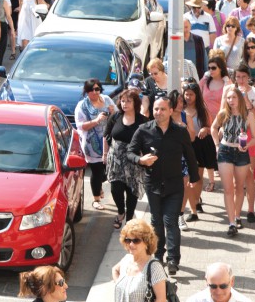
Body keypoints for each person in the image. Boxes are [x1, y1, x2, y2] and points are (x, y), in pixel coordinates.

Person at [127, 96, 199, 276]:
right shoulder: (144, 130)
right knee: (156, 221)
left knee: (171, 221)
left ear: (171, 111)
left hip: (175, 184)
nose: (158, 112)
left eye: (162, 109)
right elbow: (130, 151)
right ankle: (158, 255)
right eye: (156, 109)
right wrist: (140, 160)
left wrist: (194, 177)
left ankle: (173, 260)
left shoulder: (180, 132)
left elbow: (190, 155)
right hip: (153, 184)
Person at [211, 86, 255, 237]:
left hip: (241, 153)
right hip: (225, 151)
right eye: (228, 98)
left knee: (240, 187)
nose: (231, 101)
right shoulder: (223, 113)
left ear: (240, 98)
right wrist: (217, 145)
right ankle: (231, 223)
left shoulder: (248, 115)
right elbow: (213, 128)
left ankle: (238, 216)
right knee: (228, 189)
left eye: (234, 98)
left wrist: (246, 146)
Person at [105, 89, 147, 228]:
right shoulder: (115, 116)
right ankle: (120, 212)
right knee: (115, 189)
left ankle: (129, 220)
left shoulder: (142, 120)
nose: (125, 104)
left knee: (132, 191)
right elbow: (106, 136)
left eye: (128, 101)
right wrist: (104, 155)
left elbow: (147, 141)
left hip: (134, 160)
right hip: (116, 159)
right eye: (123, 101)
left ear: (135, 103)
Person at [75, 78, 115, 211]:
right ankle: (96, 199)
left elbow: (117, 115)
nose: (95, 92)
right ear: (86, 92)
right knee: (97, 171)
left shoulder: (107, 100)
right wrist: (96, 120)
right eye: (91, 90)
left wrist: (113, 112)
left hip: (109, 140)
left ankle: (98, 186)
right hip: (92, 144)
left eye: (97, 89)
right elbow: (81, 126)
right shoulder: (82, 106)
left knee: (108, 170)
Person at [180, 82, 213, 229]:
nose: (188, 97)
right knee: (188, 179)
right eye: (186, 94)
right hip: (185, 146)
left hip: (200, 144)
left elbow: (209, 126)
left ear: (196, 95)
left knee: (197, 177)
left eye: (191, 94)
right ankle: (193, 209)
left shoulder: (202, 110)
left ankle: (196, 201)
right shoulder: (180, 109)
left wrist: (205, 129)